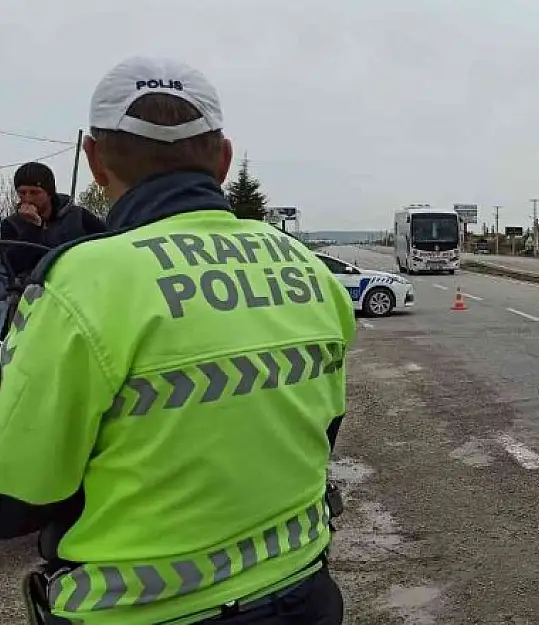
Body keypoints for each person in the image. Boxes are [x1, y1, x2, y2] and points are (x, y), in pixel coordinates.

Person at [0, 56, 355, 624]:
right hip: (304, 591)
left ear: (93, 160)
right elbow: (321, 430)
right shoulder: (308, 268)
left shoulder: (81, 283)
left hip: (138, 610)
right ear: (223, 159)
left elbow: (18, 488)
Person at [1, 162, 107, 275]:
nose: (28, 199)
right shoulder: (11, 225)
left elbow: (107, 243)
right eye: (22, 193)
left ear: (49, 193)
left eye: (34, 193)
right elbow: (11, 267)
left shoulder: (77, 217)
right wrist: (33, 228)